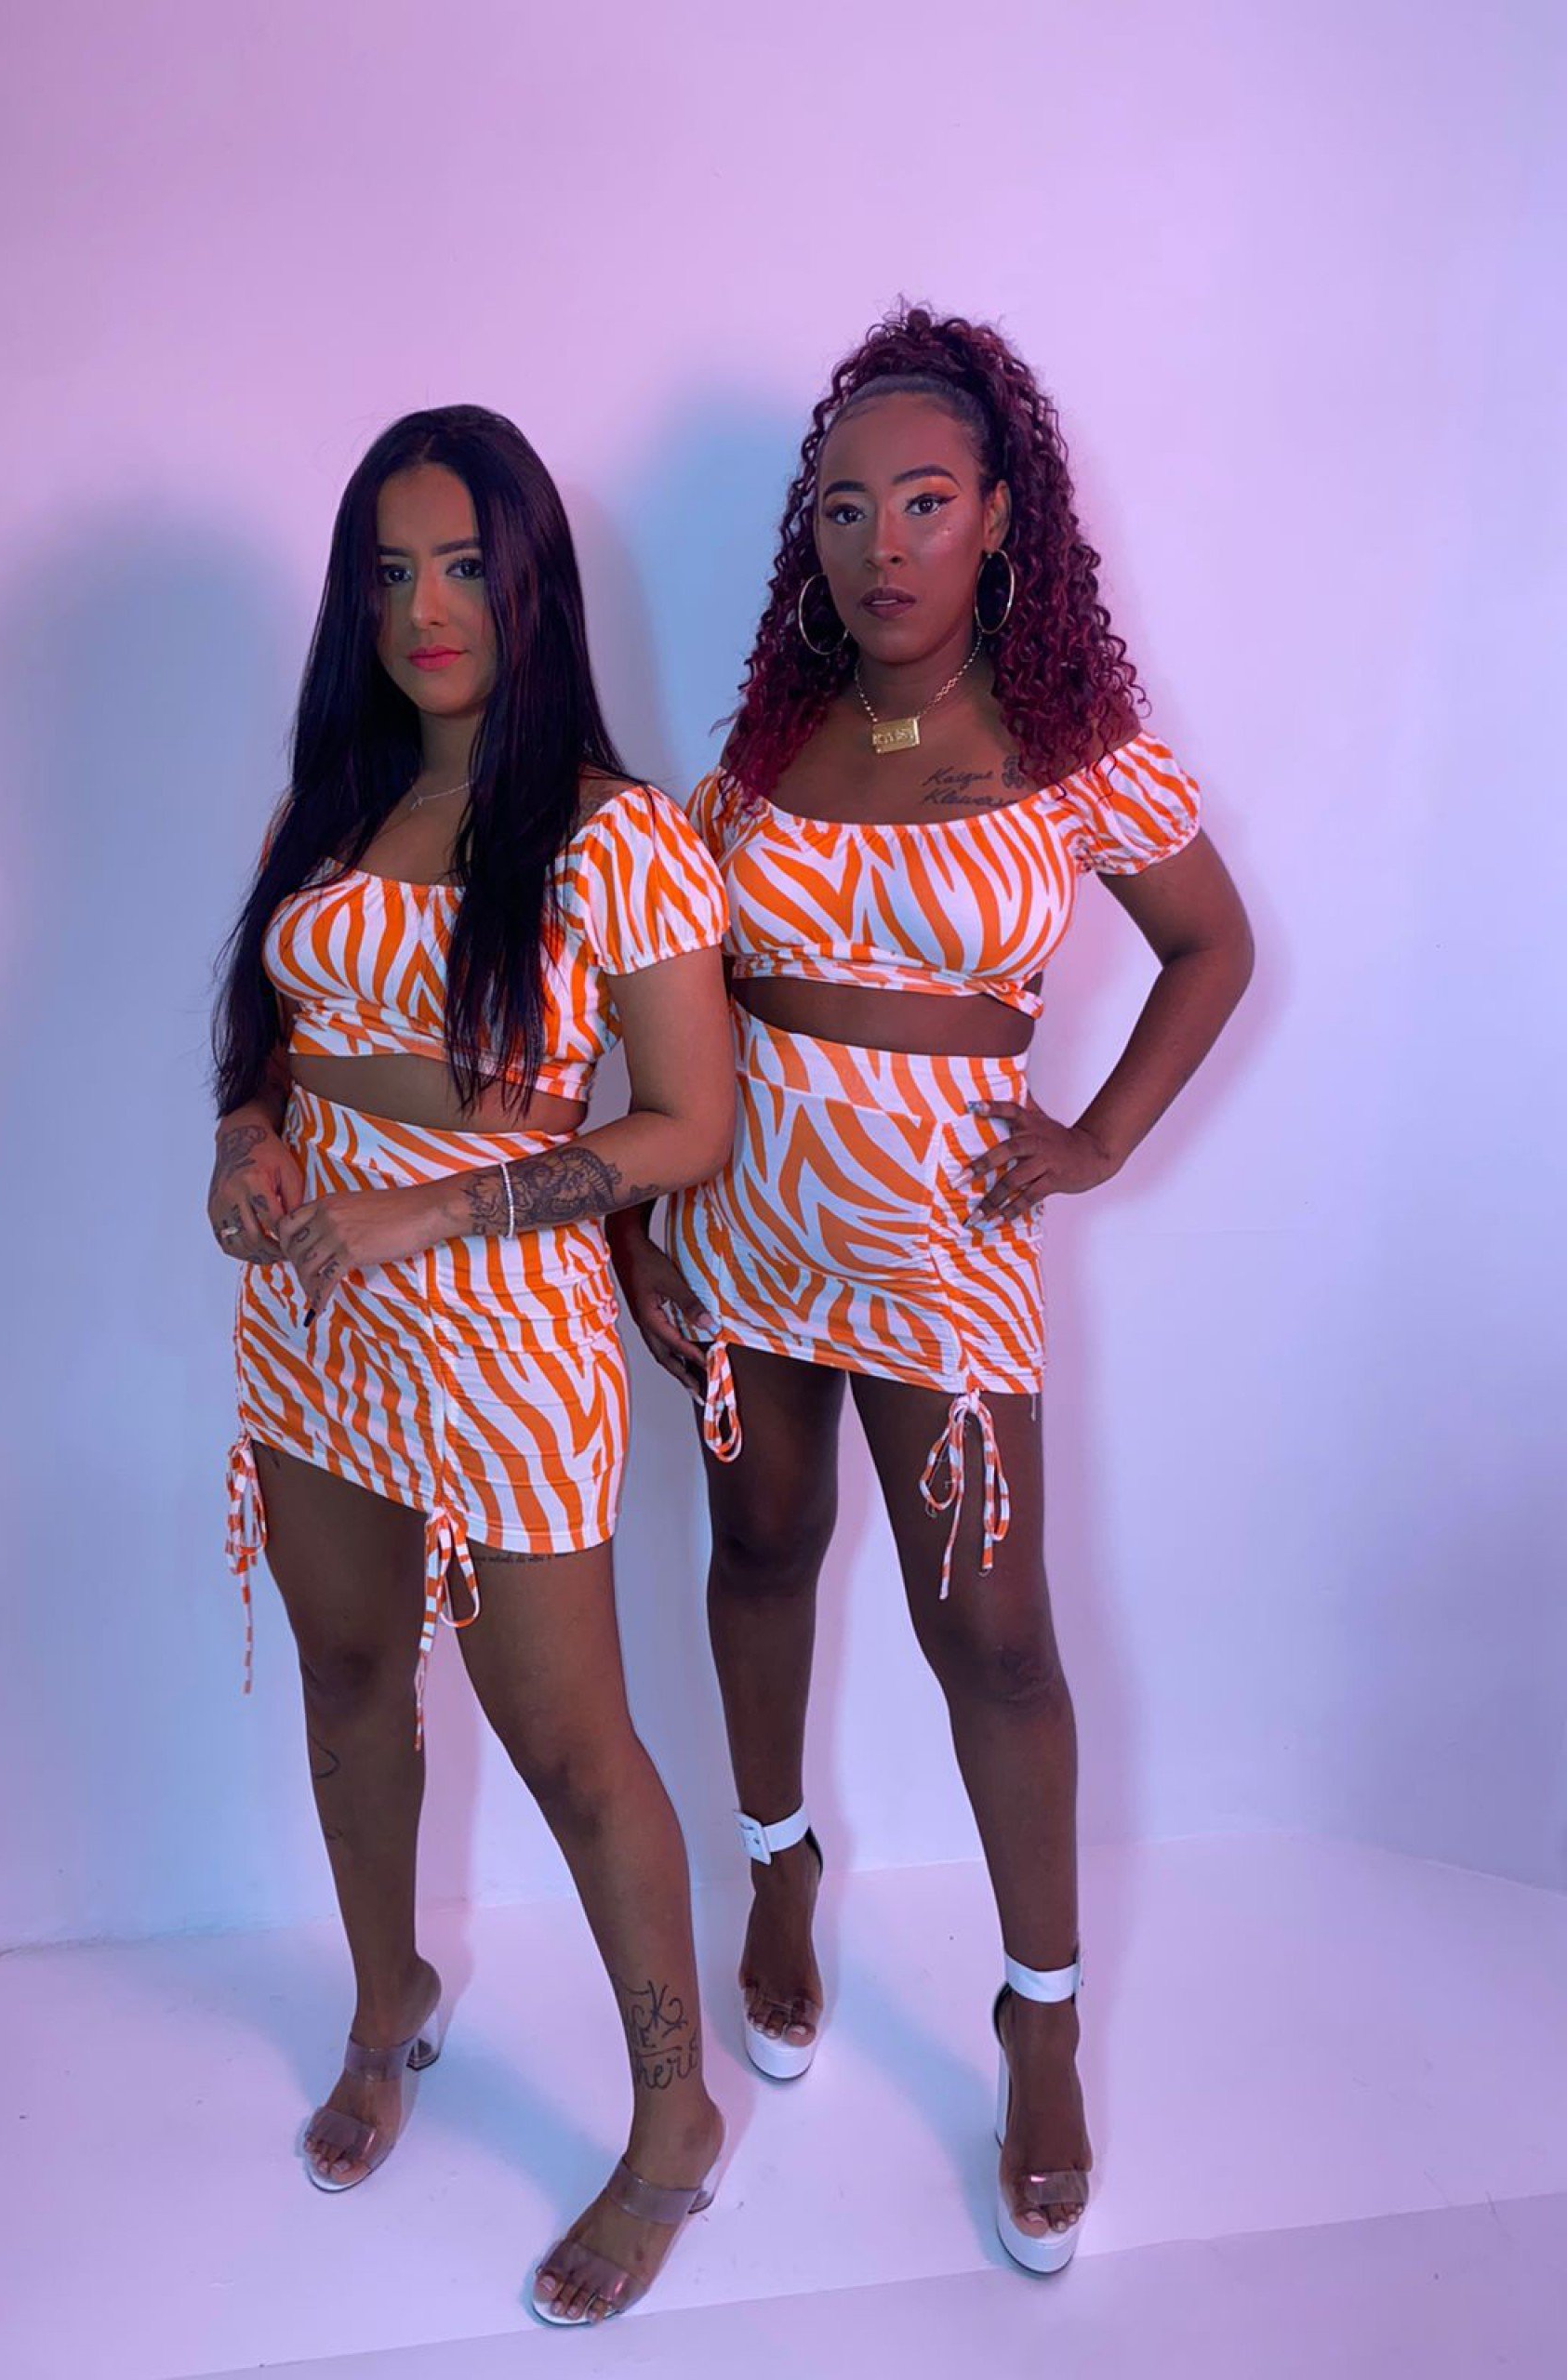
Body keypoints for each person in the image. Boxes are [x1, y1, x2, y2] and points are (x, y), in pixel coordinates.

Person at [609, 309, 1255, 2275]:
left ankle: (1039, 2020)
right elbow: (669, 981)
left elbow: (1214, 946)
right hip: (746, 1232)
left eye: (923, 502)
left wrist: (1099, 1135)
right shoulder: (759, 753)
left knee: (998, 1638)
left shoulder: (1074, 751)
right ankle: (780, 1869)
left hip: (943, 1261)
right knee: (759, 1548)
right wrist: (638, 1214)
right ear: (808, 537)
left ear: (998, 519)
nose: (880, 544)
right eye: (842, 510)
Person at [209, 405, 735, 2323]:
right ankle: (389, 2001)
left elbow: (688, 1122)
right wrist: (244, 1144)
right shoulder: (331, 806)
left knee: (571, 1744)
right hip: (315, 1319)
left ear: (529, 587)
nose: (423, 609)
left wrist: (432, 1211)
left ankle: (673, 2120)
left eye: (459, 567)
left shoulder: (615, 833)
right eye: (388, 571)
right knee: (349, 1670)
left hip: (507, 1332)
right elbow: (271, 1042)